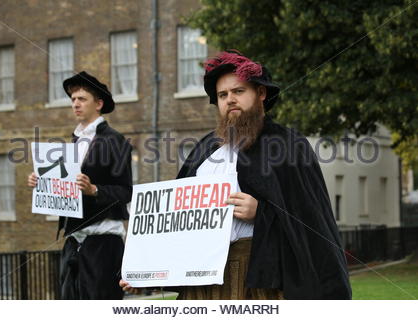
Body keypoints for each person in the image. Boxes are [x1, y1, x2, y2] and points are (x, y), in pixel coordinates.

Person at [121, 50, 351, 299]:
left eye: (238, 91)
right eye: (222, 95)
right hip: (202, 281)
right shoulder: (204, 149)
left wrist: (261, 212)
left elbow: (310, 221)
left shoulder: (288, 145)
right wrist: (145, 273)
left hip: (257, 277)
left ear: (261, 93)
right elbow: (176, 223)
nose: (230, 99)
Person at [28, 71, 133, 299]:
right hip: (73, 240)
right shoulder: (74, 140)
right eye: (73, 99)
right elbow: (66, 186)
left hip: (103, 242)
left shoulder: (115, 140)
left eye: (82, 99)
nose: (75, 104)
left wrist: (94, 189)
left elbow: (126, 191)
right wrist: (41, 182)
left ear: (99, 103)